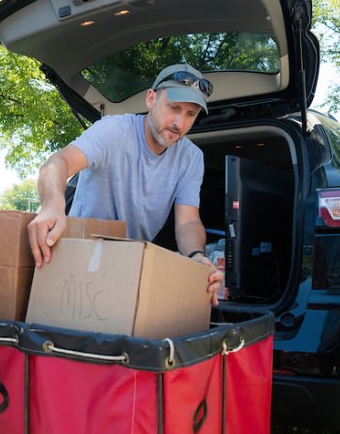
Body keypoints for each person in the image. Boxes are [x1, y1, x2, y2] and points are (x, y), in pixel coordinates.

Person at [27, 63, 222, 304]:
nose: (179, 124)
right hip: (77, 262)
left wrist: (196, 256)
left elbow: (188, 221)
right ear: (151, 99)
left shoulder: (191, 158)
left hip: (131, 270)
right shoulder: (114, 130)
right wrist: (51, 204)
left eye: (190, 114)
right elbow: (58, 163)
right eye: (173, 108)